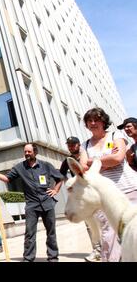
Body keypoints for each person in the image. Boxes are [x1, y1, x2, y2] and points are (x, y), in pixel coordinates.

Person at [0, 143, 63, 262]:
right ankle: (28, 259)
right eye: (25, 152)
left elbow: (60, 179)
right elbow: (8, 179)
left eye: (29, 151)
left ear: (35, 152)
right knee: (29, 233)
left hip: (47, 203)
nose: (27, 154)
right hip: (32, 205)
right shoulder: (20, 167)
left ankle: (53, 257)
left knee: (51, 232)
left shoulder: (46, 165)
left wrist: (55, 190)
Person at [80, 108, 137, 262]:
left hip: (129, 189)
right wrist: (107, 160)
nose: (93, 123)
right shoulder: (84, 145)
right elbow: (83, 168)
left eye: (96, 120)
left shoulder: (115, 135)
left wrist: (95, 162)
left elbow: (118, 158)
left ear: (103, 121)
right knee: (109, 236)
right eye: (89, 121)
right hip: (104, 196)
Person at [60, 136, 101, 262]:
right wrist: (70, 183)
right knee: (89, 224)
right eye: (69, 145)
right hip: (82, 196)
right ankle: (97, 251)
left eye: (73, 144)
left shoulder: (88, 154)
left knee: (104, 221)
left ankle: (113, 248)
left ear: (78, 145)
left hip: (96, 191)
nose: (71, 147)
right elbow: (61, 173)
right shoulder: (68, 161)